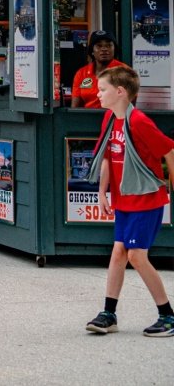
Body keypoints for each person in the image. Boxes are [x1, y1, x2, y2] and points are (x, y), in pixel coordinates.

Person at [85, 67, 174, 336]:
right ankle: (109, 314)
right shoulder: (110, 120)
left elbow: (169, 150)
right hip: (124, 200)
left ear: (120, 92)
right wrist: (102, 192)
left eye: (102, 90)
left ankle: (168, 316)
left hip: (146, 200)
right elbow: (108, 158)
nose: (97, 94)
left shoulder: (139, 122)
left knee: (136, 256)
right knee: (118, 254)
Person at [73, 31, 130, 109]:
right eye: (99, 46)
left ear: (114, 49)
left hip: (114, 117)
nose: (104, 49)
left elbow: (130, 102)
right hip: (87, 117)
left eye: (109, 45)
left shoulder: (124, 71)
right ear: (92, 51)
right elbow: (75, 107)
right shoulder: (81, 73)